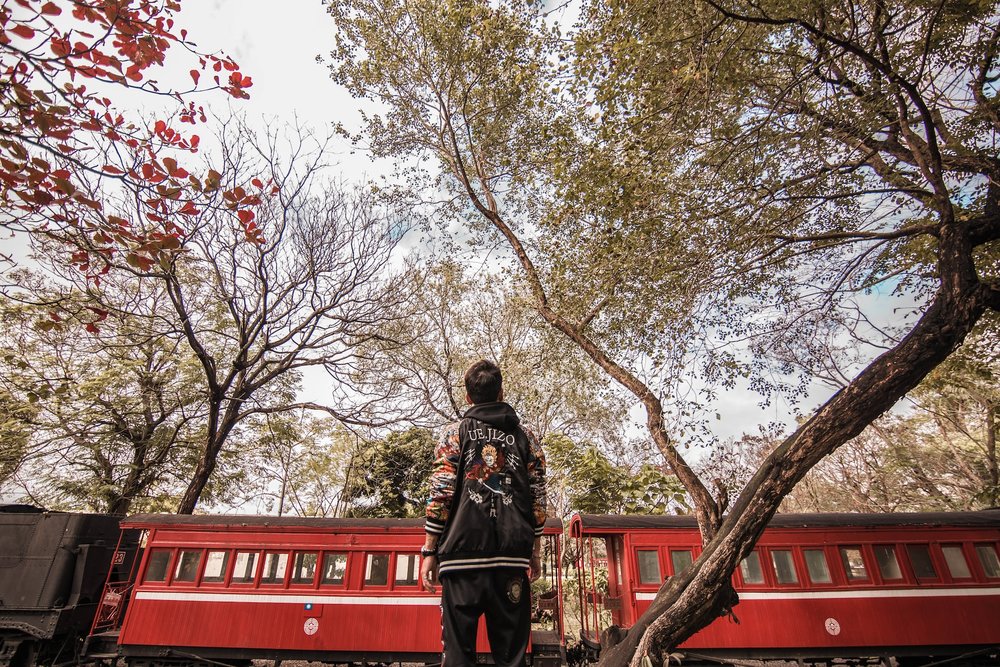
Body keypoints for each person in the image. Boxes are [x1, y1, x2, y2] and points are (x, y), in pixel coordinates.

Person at [420, 360, 547, 667]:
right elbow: (537, 496)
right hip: (511, 559)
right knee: (511, 657)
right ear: (501, 391)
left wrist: (428, 550)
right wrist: (535, 551)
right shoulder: (526, 437)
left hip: (462, 560)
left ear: (468, 397)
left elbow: (442, 491)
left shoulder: (454, 434)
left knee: (458, 656)